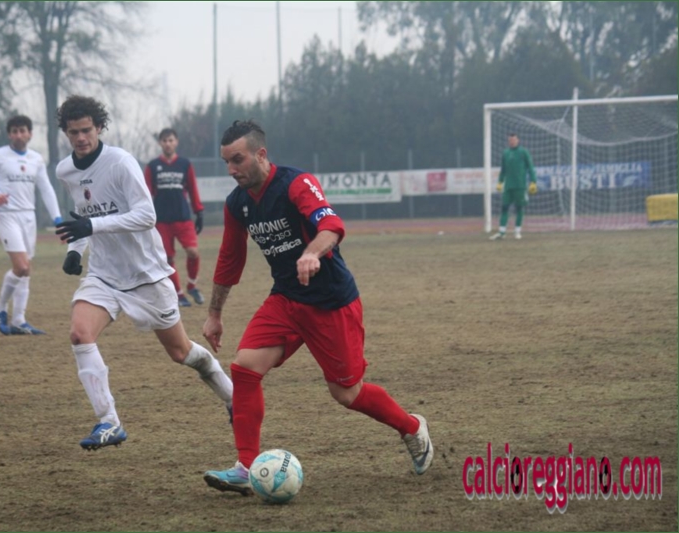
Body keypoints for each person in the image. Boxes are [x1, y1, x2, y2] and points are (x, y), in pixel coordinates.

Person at [201, 120, 433, 495]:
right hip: (286, 300)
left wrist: (311, 253)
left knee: (347, 394)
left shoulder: (296, 183)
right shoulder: (237, 204)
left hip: (330, 302)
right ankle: (246, 467)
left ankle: (412, 428)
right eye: (226, 162)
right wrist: (214, 314)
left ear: (261, 154)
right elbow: (230, 259)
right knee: (244, 368)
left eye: (237, 160)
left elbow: (331, 225)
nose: (231, 169)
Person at [53, 95, 233, 450]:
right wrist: (76, 250)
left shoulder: (120, 162)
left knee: (181, 353)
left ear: (99, 127)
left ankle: (232, 396)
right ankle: (109, 422)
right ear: (66, 133)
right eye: (73, 132)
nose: (81, 138)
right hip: (104, 275)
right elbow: (83, 217)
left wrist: (92, 227)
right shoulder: (65, 171)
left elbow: (146, 216)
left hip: (147, 276)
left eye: (87, 130)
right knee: (79, 334)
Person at [0, 115, 63, 335]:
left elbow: (46, 189)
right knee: (22, 267)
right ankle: (0, 309)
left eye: (22, 130)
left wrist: (57, 218)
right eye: (14, 131)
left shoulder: (36, 159)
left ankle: (18, 320)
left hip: (29, 217)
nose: (18, 135)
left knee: (27, 270)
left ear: (30, 134)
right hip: (6, 215)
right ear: (9, 134)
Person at [144, 128, 205, 308]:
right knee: (168, 259)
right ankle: (179, 294)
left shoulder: (185, 164)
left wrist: (199, 211)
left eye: (170, 140)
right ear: (160, 143)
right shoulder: (153, 166)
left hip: (183, 218)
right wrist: (144, 215)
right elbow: (146, 193)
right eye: (164, 141)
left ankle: (192, 285)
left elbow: (193, 189)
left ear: (176, 142)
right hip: (161, 221)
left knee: (193, 252)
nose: (168, 144)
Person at [490, 132, 537, 240]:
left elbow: (530, 167)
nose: (512, 142)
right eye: (510, 140)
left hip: (520, 186)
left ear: (518, 140)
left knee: (519, 208)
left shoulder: (523, 152)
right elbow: (503, 169)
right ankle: (502, 232)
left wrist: (533, 181)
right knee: (504, 207)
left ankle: (517, 231)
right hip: (508, 186)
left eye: (514, 140)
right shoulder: (506, 153)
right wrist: (500, 182)